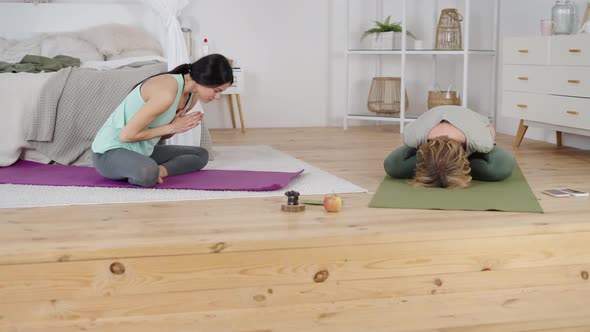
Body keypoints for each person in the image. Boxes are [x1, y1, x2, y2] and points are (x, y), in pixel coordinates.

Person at [91, 54, 233, 187]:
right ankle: (146, 172)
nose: (218, 97)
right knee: (148, 171)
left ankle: (157, 172)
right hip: (109, 152)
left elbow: (161, 135)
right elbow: (126, 136)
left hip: (143, 150)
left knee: (201, 155)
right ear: (205, 80)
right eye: (217, 90)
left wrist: (174, 127)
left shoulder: (191, 96)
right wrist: (171, 128)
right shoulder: (167, 92)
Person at [383, 105, 515, 189]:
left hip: (470, 129)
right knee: (394, 166)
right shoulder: (413, 136)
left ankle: (448, 170)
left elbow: (491, 129)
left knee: (501, 167)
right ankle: (443, 169)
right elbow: (391, 163)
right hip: (429, 133)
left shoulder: (481, 141)